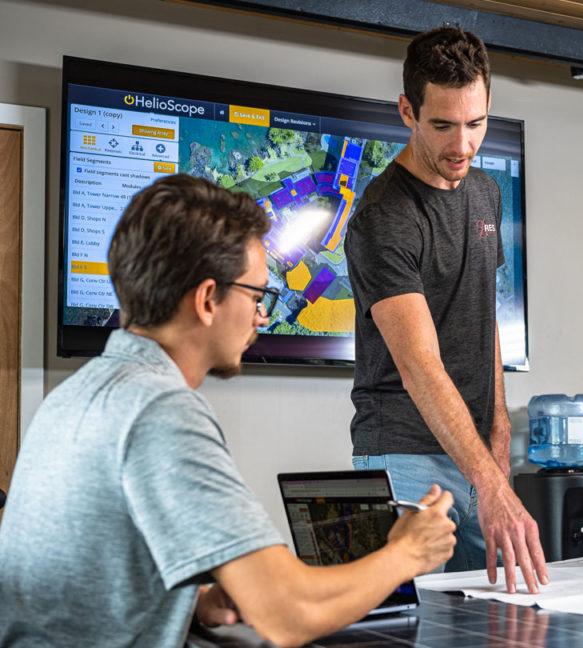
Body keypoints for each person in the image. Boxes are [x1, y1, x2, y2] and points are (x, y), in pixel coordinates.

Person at [0, 175, 457, 648]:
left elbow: (81, 581)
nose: (262, 317)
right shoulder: (161, 409)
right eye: (258, 297)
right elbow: (289, 614)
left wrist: (188, 600)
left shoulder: (75, 395)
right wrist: (408, 551)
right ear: (206, 300)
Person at [343, 26, 548, 594]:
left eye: (476, 123)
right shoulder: (384, 217)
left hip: (479, 452)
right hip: (404, 452)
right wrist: (492, 483)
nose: (462, 145)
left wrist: (500, 436)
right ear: (407, 111)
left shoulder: (485, 192)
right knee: (408, 626)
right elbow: (419, 366)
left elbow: (485, 321)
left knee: (500, 622)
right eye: (442, 125)